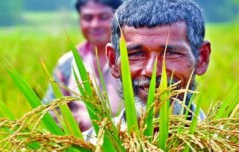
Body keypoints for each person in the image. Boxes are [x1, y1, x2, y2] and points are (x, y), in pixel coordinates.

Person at [84, 0, 211, 142]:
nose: (151, 70)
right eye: (136, 54)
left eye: (170, 53)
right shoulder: (86, 150)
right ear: (113, 61)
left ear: (202, 58)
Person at [44, 0, 123, 132]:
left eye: (103, 17)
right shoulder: (67, 63)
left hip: (128, 146)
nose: (95, 24)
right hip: (81, 148)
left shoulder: (134, 59)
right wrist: (71, 121)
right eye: (88, 18)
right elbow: (49, 109)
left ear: (118, 18)